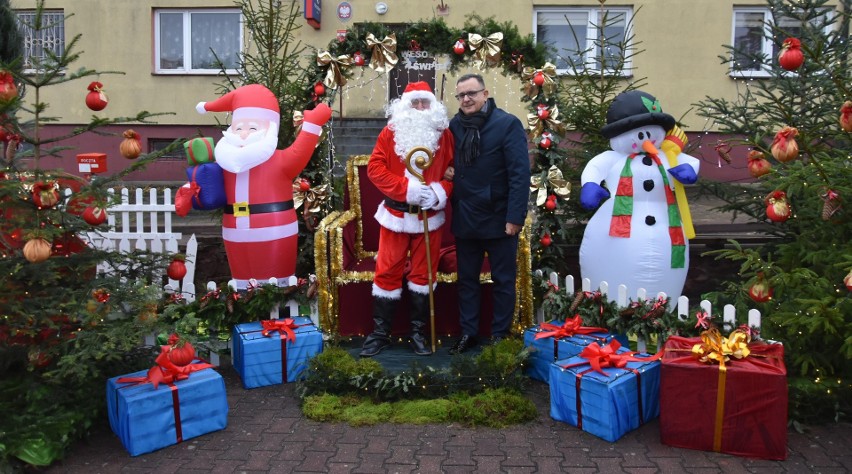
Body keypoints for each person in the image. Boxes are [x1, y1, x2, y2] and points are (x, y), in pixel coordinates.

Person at [194, 84, 332, 289]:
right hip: (233, 230)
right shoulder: (226, 163)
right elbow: (208, 189)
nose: (243, 134)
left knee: (275, 287)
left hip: (274, 229)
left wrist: (311, 125)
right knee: (241, 286)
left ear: (269, 129)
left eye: (252, 128)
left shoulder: (280, 161)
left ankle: (277, 317)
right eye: (238, 128)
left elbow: (299, 153)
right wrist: (191, 192)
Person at [359, 82, 455, 357]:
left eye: (425, 103)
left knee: (424, 274)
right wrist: (408, 190)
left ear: (432, 105)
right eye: (416, 103)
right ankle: (380, 334)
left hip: (429, 217)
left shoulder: (444, 134)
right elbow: (375, 169)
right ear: (406, 106)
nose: (421, 108)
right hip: (396, 216)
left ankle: (417, 332)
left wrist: (439, 193)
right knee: (387, 271)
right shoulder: (390, 133)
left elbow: (453, 170)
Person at [447, 73, 530, 354]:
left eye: (472, 93)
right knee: (467, 281)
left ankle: (499, 335)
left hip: (499, 219)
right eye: (461, 95)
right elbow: (446, 161)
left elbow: (519, 174)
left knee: (503, 281)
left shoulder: (507, 124)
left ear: (485, 94)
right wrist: (447, 170)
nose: (466, 99)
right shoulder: (454, 126)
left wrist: (515, 217)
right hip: (466, 217)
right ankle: (468, 332)